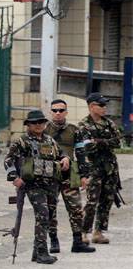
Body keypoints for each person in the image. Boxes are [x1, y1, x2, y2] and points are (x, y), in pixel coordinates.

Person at [4, 110, 71, 264]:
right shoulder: (22, 141)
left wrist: (65, 158)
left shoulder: (49, 140)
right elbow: (8, 160)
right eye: (35, 122)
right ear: (28, 125)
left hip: (51, 184)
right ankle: (42, 252)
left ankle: (36, 252)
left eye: (41, 122)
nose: (39, 125)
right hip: (33, 185)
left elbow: (61, 154)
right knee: (43, 215)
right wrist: (15, 178)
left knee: (49, 216)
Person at [44, 100, 95, 253]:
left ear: (66, 112)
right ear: (51, 112)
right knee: (50, 208)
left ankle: (77, 241)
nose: (58, 113)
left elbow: (80, 154)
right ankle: (53, 241)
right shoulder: (44, 129)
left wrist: (84, 175)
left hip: (70, 174)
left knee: (75, 208)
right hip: (50, 174)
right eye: (55, 110)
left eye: (61, 110)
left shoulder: (74, 130)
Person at [75, 93, 124, 245]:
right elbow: (87, 146)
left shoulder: (109, 123)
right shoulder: (83, 125)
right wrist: (104, 142)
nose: (104, 108)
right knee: (92, 200)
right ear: (91, 106)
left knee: (107, 199)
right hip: (93, 167)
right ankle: (83, 232)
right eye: (101, 105)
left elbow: (118, 142)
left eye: (105, 105)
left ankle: (98, 232)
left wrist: (99, 141)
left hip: (110, 167)